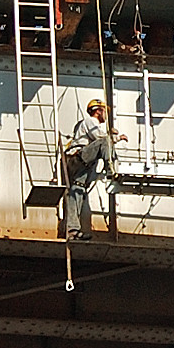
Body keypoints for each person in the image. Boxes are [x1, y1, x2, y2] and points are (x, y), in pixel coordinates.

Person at [64, 99, 126, 241]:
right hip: (78, 157)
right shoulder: (90, 121)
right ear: (98, 111)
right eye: (104, 111)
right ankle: (111, 169)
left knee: (77, 190)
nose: (105, 115)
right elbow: (101, 138)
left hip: (80, 163)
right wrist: (116, 137)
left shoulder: (90, 124)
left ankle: (72, 230)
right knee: (105, 141)